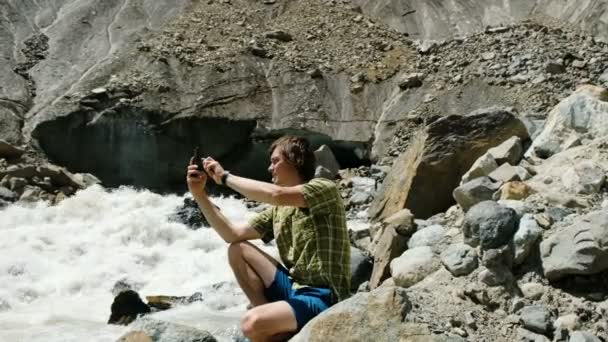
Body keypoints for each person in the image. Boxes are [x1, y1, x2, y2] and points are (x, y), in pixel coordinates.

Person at [186, 136, 350, 341]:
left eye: (275, 161)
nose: (269, 168)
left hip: (323, 296)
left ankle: (270, 327)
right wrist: (200, 195)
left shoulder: (324, 189)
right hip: (293, 289)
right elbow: (232, 234)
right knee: (237, 249)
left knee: (250, 323)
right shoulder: (279, 210)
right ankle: (270, 322)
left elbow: (276, 194)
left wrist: (224, 177)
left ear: (296, 160)